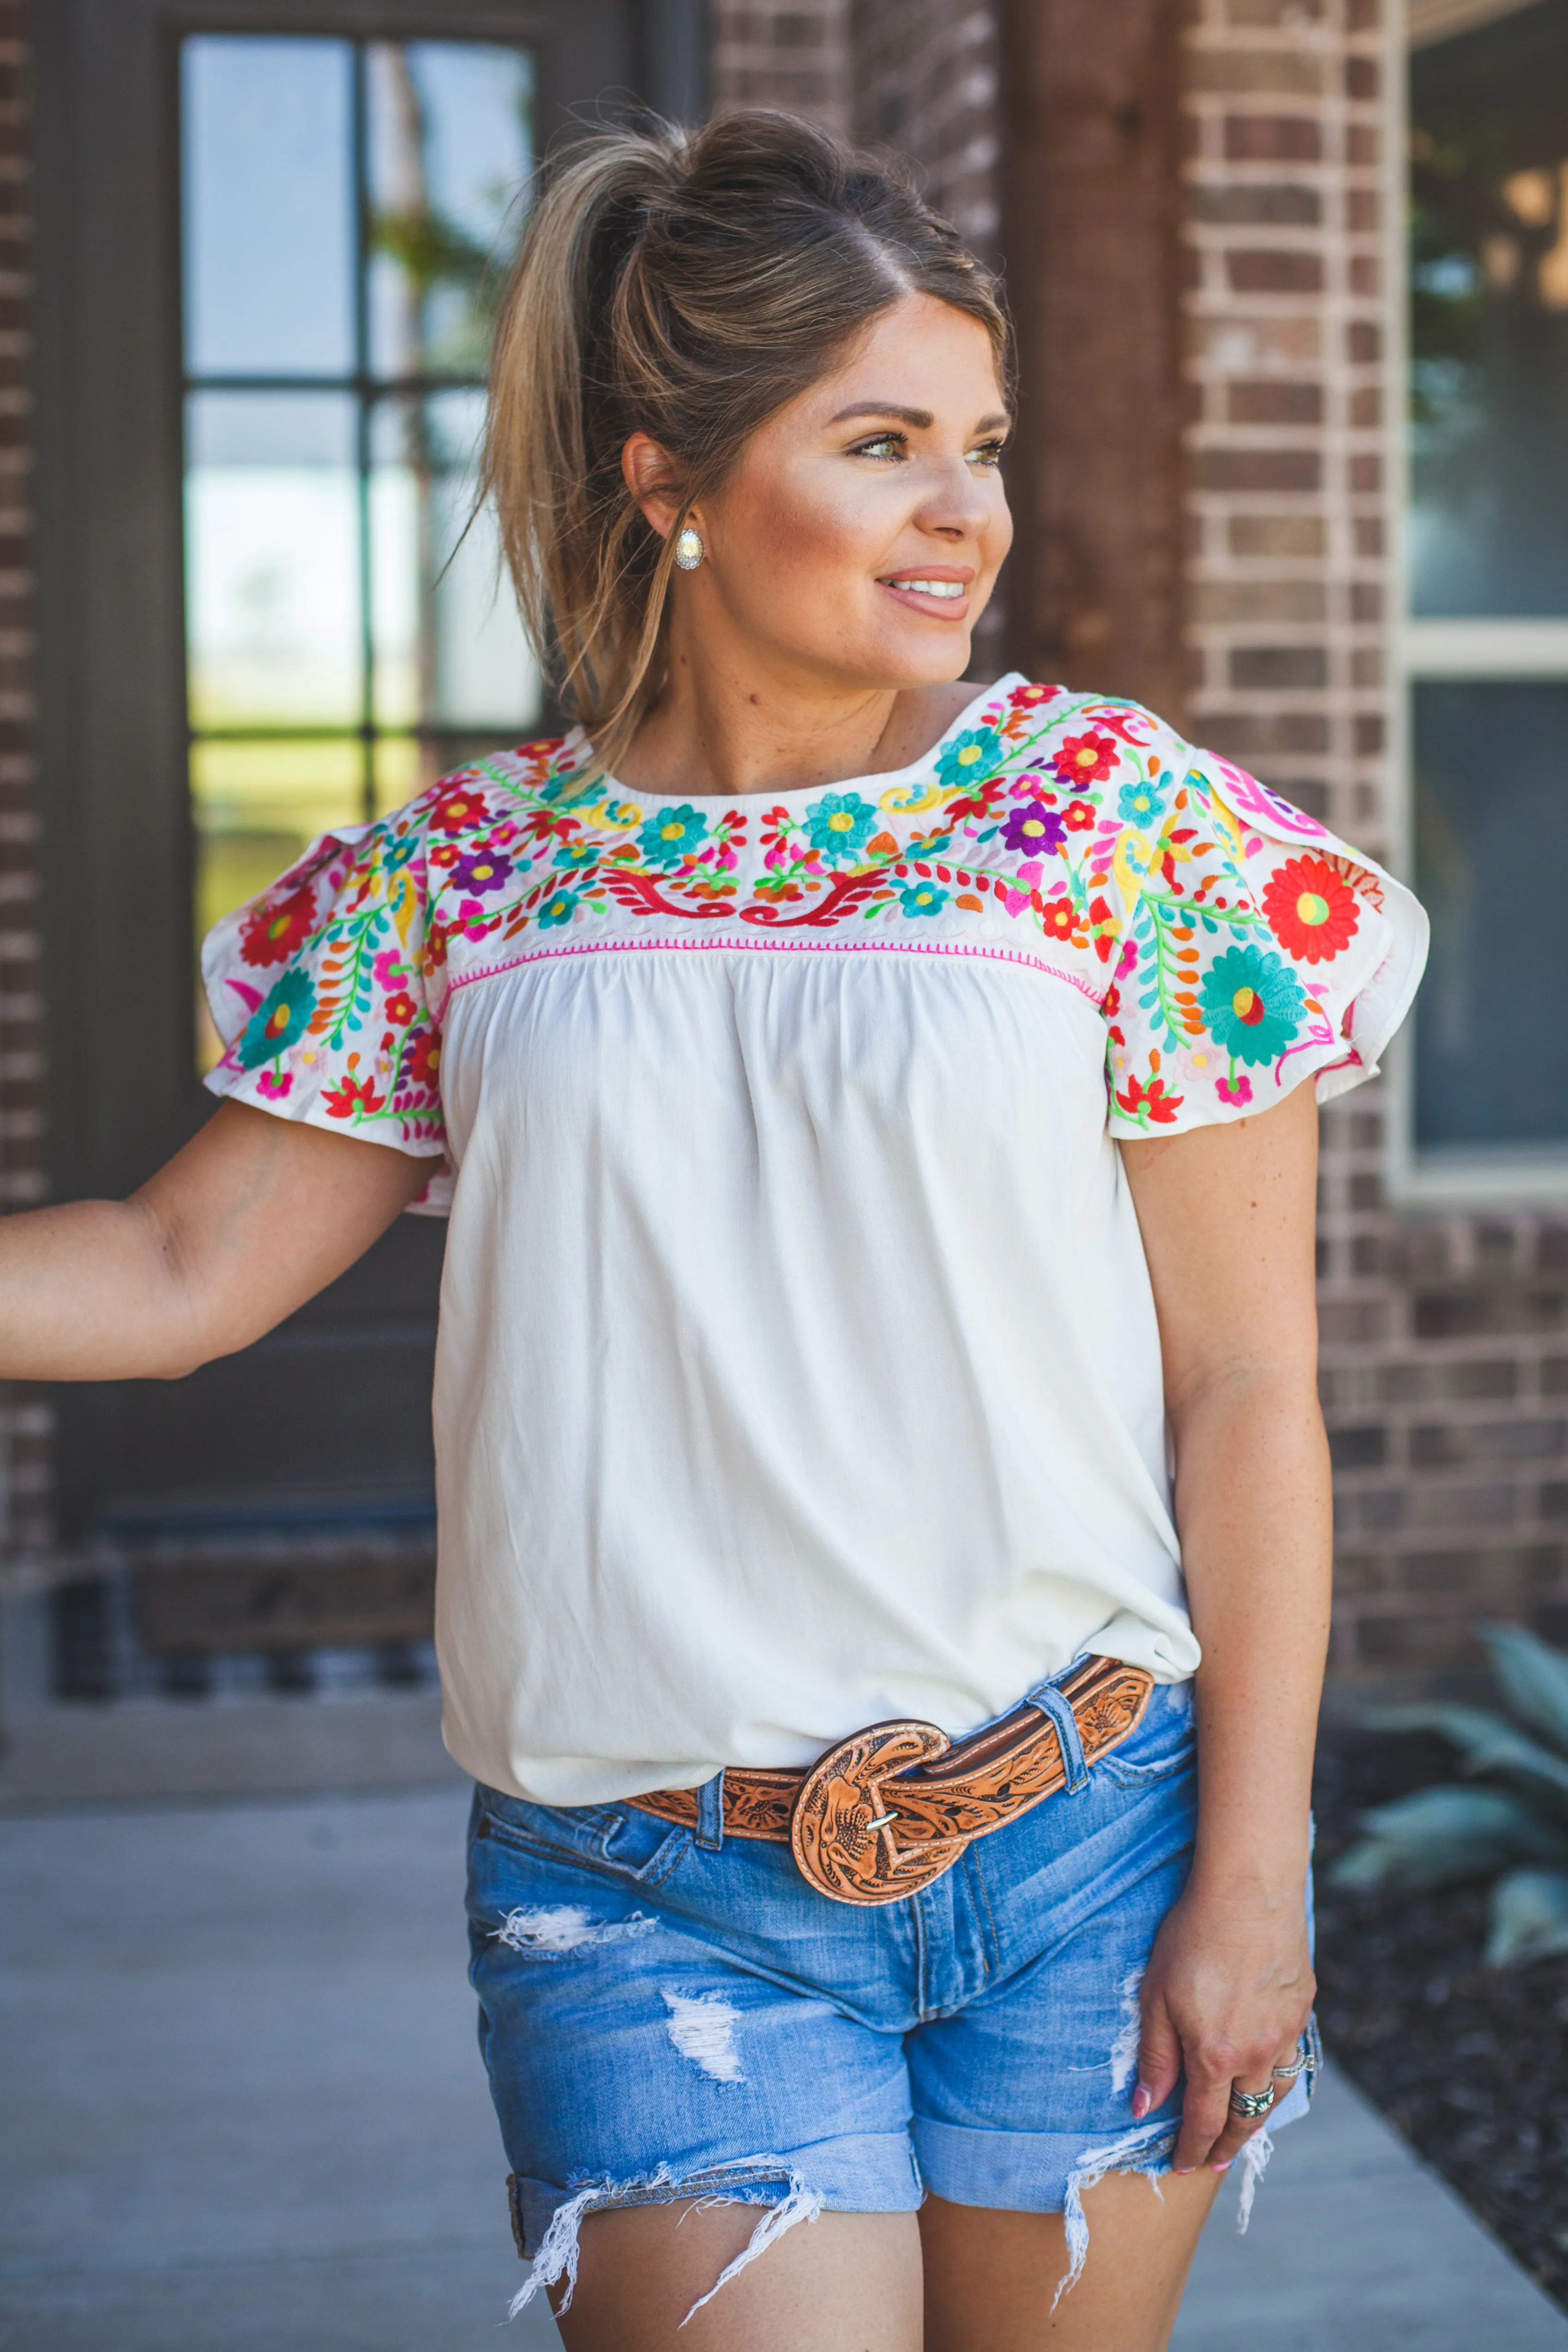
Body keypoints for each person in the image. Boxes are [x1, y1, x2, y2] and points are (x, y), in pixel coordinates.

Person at [8, 111, 1425, 2352]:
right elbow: (182, 1275)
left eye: (983, 441)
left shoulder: (1110, 823)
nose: (971, 509)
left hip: (1085, 1833)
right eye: (885, 443)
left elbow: (1246, 1387)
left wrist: (1256, 1875)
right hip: (648, 1892)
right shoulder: (461, 883)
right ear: (667, 474)